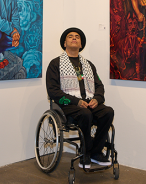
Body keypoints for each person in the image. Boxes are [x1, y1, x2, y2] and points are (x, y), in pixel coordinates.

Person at [46, 27, 114, 169]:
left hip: (89, 102)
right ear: (65, 43)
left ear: (81, 45)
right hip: (68, 104)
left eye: (77, 36)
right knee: (85, 113)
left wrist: (97, 98)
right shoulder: (55, 64)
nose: (74, 38)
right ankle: (85, 153)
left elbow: (99, 86)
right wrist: (77, 101)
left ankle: (95, 153)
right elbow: (52, 91)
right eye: (70, 36)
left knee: (108, 112)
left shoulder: (89, 65)